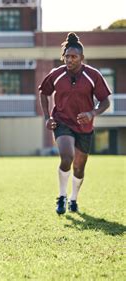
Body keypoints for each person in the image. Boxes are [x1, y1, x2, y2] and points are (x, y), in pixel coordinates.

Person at [39, 32, 111, 214]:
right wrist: (48, 117)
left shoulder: (93, 75)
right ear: (63, 57)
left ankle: (73, 199)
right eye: (67, 56)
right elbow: (44, 93)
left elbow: (105, 101)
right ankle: (62, 196)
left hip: (84, 126)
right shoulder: (55, 74)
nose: (70, 60)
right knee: (66, 156)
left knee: (79, 167)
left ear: (82, 58)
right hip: (62, 122)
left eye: (74, 57)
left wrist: (92, 113)